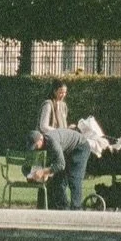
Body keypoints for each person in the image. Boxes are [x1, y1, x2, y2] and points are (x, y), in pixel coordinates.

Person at [36, 82, 89, 211]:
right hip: (53, 141)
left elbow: (62, 129)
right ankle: (56, 204)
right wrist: (61, 130)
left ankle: (75, 206)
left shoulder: (64, 106)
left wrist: (65, 129)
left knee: (72, 176)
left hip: (65, 143)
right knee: (57, 175)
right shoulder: (48, 105)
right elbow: (43, 126)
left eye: (65, 92)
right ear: (54, 91)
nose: (63, 95)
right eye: (60, 92)